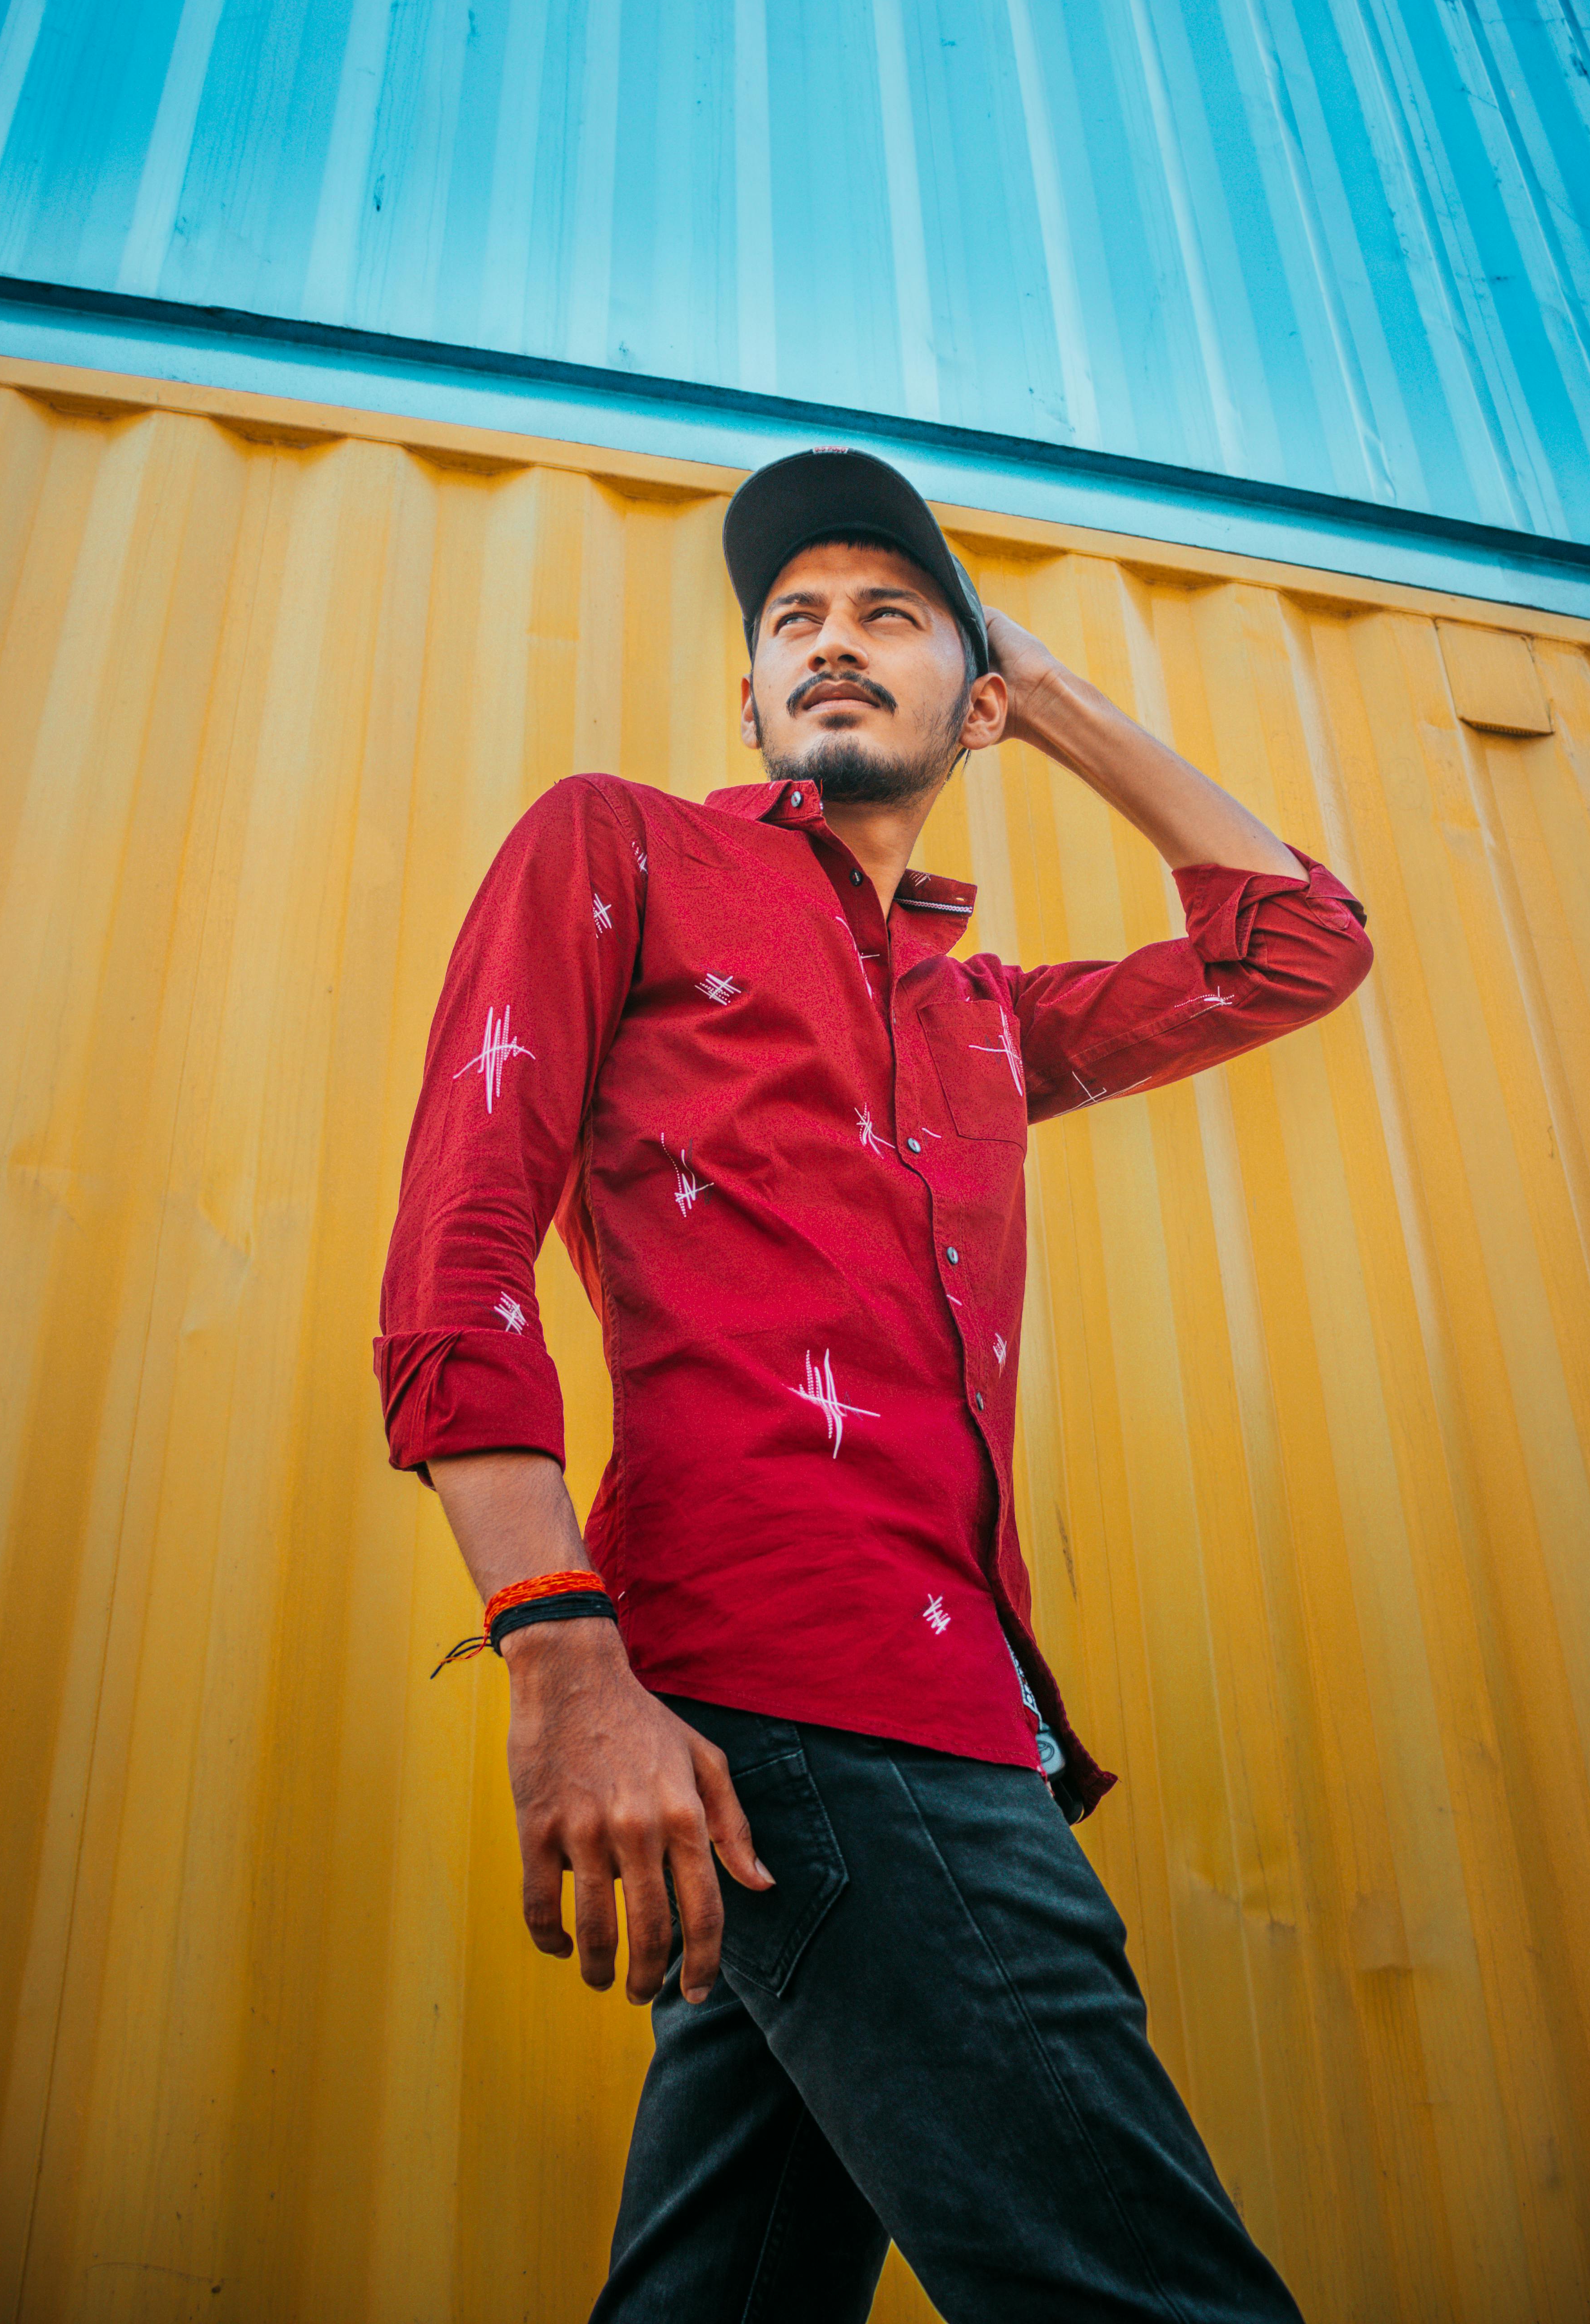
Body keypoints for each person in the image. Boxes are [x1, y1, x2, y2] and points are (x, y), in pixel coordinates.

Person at [375, 447, 1372, 2322]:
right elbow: (460, 1236)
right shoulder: (624, 847)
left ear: (971, 694)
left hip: (944, 1701)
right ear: (743, 698)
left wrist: (1048, 690)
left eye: (890, 618)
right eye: (793, 623)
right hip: (810, 1686)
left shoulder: (987, 1021)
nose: (832, 643)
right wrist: (553, 1638)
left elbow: (1295, 948)